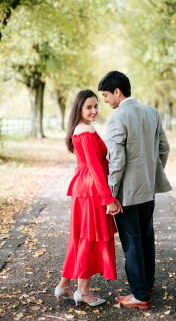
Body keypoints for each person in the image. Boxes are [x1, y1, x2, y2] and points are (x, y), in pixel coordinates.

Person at [98, 71, 171, 310]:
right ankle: (146, 284)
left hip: (126, 194)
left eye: (106, 95)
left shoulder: (117, 119)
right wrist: (151, 173)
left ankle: (140, 295)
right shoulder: (152, 113)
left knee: (132, 242)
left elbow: (116, 161)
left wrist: (111, 193)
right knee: (146, 237)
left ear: (118, 92)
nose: (106, 101)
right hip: (147, 189)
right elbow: (164, 148)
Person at [54, 90, 118, 307]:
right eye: (88, 107)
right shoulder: (87, 131)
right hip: (91, 190)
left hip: (83, 188)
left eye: (95, 106)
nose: (93, 111)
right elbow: (95, 169)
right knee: (89, 238)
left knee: (81, 237)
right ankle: (83, 290)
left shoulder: (78, 129)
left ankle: (64, 285)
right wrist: (108, 198)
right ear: (79, 109)